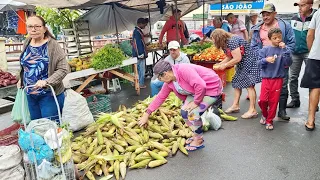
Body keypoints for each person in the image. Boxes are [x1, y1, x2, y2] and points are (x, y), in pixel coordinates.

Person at [138, 61, 222, 151]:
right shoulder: (169, 83)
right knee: (184, 112)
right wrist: (147, 114)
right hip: (196, 91)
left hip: (211, 88)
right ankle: (196, 134)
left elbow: (201, 85)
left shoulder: (183, 70)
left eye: (159, 78)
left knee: (192, 114)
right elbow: (160, 97)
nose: (159, 80)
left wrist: (196, 102)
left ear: (165, 74)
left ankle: (199, 140)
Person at [18, 15, 68, 120]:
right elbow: (25, 65)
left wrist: (47, 81)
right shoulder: (27, 42)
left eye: (37, 26)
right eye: (30, 26)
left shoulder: (53, 45)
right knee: (37, 127)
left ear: (44, 28)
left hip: (49, 94)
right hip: (30, 94)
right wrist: (21, 79)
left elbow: (63, 69)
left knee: (51, 129)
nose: (33, 29)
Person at [251, 3, 295, 121]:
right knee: (266, 88)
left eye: (268, 14)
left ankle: (281, 110)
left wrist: (284, 53)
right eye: (264, 15)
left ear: (275, 14)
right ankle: (267, 112)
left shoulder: (284, 25)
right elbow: (254, 45)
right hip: (266, 61)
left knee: (283, 85)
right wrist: (262, 56)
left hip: (281, 60)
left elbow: (291, 42)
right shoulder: (258, 28)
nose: (265, 17)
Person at [211, 29, 261, 119]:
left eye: (213, 39)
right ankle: (235, 105)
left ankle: (252, 110)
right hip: (243, 63)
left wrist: (225, 65)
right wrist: (220, 64)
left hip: (250, 62)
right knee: (237, 83)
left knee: (249, 85)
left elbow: (237, 58)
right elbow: (229, 56)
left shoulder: (232, 41)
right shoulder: (225, 43)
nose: (213, 41)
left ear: (218, 38)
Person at [258, 28, 293, 130]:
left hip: (278, 80)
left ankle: (269, 120)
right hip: (266, 79)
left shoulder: (284, 49)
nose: (278, 40)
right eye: (275, 38)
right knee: (263, 100)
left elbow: (288, 63)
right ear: (270, 39)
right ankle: (265, 114)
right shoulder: (264, 50)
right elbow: (258, 63)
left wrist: (286, 50)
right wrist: (266, 60)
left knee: (273, 102)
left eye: (279, 38)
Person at [287, 0, 317, 108]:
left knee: (312, 78)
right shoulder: (294, 18)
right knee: (293, 77)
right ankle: (295, 99)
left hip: (311, 52)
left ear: (310, 6)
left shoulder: (316, 16)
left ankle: (313, 102)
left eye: (302, 5)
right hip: (295, 52)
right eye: (298, 5)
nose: (300, 8)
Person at [300, 9, 320, 131]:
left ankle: (310, 120)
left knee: (315, 87)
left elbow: (310, 35)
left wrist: (312, 51)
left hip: (317, 55)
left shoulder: (318, 13)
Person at [132, 18, 148, 89]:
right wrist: (140, 53)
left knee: (137, 69)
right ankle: (141, 84)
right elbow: (137, 43)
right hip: (139, 54)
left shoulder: (137, 31)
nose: (145, 25)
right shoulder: (137, 32)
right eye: (144, 24)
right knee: (141, 70)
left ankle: (135, 82)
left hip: (137, 54)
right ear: (140, 24)